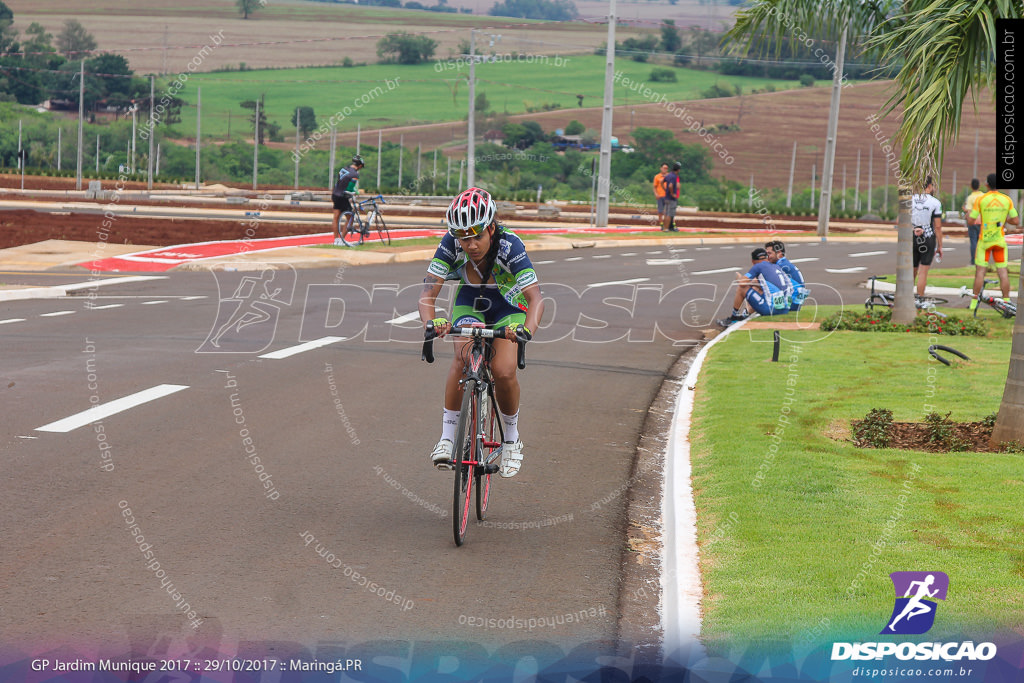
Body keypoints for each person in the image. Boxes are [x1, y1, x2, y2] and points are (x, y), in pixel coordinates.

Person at [419, 187, 544, 478]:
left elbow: (536, 299)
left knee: (503, 370)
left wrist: (525, 331)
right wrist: (431, 321)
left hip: (509, 305)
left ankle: (511, 439)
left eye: (477, 236)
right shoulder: (450, 244)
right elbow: (428, 291)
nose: (470, 244)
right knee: (462, 359)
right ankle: (447, 438)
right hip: (470, 302)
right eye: (463, 238)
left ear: (491, 228)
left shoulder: (510, 245)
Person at [968, 173, 1021, 309]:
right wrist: (1004, 220)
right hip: (999, 241)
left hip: (984, 241)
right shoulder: (1006, 199)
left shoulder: (981, 199)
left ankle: (974, 303)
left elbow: (971, 220)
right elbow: (1016, 221)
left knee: (980, 271)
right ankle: (1007, 301)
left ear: (986, 184)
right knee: (1002, 272)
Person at [723, 247, 793, 323]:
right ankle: (746, 314)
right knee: (757, 288)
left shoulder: (758, 266)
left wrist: (739, 278)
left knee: (742, 288)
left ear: (753, 261)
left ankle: (734, 317)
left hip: (771, 309)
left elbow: (742, 283)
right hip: (786, 308)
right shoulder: (776, 266)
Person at [910, 176, 943, 297]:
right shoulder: (935, 202)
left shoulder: (910, 200)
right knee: (923, 272)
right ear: (929, 186)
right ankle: (920, 299)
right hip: (927, 237)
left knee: (911, 271)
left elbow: (900, 220)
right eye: (933, 185)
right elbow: (938, 226)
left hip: (912, 237)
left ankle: (907, 300)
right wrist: (940, 245)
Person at [331, 155, 365, 246]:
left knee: (336, 217)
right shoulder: (355, 174)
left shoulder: (343, 169)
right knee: (350, 218)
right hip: (343, 196)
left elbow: (339, 182)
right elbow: (349, 188)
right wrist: (355, 192)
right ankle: (342, 239)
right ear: (360, 166)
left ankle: (336, 240)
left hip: (335, 194)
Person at [765, 239, 807, 311]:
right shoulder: (784, 263)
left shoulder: (780, 266)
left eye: (769, 253)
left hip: (792, 302)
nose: (767, 257)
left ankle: (747, 313)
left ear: (779, 253)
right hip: (797, 301)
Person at [962, 178, 984, 267]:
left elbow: (969, 211)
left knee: (973, 242)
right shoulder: (983, 196)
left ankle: (973, 261)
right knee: (981, 242)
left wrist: (965, 210)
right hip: (982, 222)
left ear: (971, 187)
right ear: (979, 186)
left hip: (973, 222)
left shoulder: (970, 198)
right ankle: (981, 260)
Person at [662, 162, 680, 232]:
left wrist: (664, 189)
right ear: (678, 170)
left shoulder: (668, 175)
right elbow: (670, 186)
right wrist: (672, 194)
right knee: (670, 214)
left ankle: (664, 228)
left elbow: (662, 182)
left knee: (666, 213)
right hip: (671, 198)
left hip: (666, 197)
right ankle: (667, 228)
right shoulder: (674, 176)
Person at [653, 163, 669, 227]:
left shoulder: (669, 176)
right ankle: (661, 225)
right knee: (660, 211)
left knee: (667, 212)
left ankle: (667, 224)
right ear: (661, 168)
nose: (665, 169)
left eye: (666, 168)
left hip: (667, 196)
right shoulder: (657, 177)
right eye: (664, 168)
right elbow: (654, 187)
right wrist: (656, 194)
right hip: (660, 196)